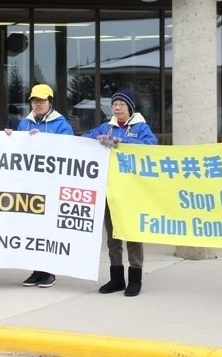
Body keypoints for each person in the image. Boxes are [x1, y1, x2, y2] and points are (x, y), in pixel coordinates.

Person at [82, 87, 157, 297]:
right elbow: (85, 138)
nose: (117, 108)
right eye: (114, 104)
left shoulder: (140, 127)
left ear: (130, 107)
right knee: (113, 236)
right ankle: (116, 278)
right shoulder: (106, 127)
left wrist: (124, 142)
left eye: (121, 104)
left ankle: (135, 277)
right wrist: (95, 140)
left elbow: (151, 145)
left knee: (132, 233)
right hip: (110, 189)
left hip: (131, 189)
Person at [5, 83, 74, 288]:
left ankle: (49, 271)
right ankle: (36, 271)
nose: (38, 104)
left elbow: (67, 151)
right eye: (35, 100)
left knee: (48, 229)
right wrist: (10, 138)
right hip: (30, 184)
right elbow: (17, 150)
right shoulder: (24, 124)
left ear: (50, 102)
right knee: (32, 227)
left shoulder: (62, 124)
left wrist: (42, 141)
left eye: (42, 100)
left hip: (51, 185)